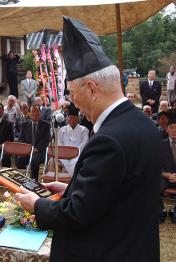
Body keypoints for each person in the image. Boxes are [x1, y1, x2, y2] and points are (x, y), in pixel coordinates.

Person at [15, 17, 161, 262]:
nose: (73, 103)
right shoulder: (143, 123)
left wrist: (37, 205)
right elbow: (116, 190)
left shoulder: (109, 140)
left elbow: (77, 214)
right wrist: (72, 189)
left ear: (92, 88)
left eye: (73, 93)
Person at [16, 104, 51, 181]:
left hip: (40, 151)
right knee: (19, 159)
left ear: (40, 113)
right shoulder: (24, 125)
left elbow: (46, 139)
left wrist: (36, 149)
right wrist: (28, 149)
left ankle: (33, 181)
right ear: (29, 113)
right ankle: (21, 180)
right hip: (27, 151)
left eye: (37, 111)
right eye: (33, 111)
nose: (35, 113)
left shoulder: (46, 125)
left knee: (34, 160)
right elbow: (21, 139)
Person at [56, 104, 89, 176]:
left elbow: (84, 144)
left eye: (74, 118)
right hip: (64, 155)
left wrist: (74, 153)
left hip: (78, 155)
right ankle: (59, 181)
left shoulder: (84, 130)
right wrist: (66, 154)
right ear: (67, 118)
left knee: (78, 162)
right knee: (54, 161)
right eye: (70, 118)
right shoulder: (62, 130)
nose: (72, 120)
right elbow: (59, 144)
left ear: (78, 119)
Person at [160, 116, 176, 223]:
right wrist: (166, 175)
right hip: (164, 177)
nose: (174, 130)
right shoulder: (160, 144)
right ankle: (160, 211)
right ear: (167, 129)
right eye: (171, 127)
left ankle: (175, 212)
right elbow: (155, 164)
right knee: (153, 185)